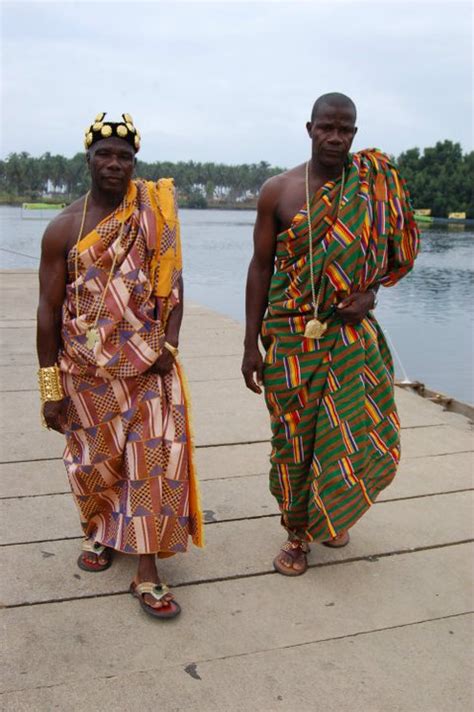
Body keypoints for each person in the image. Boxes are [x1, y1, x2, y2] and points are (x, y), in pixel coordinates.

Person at [242, 93, 419, 576]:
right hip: (291, 337)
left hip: (348, 334)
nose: (335, 137)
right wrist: (248, 345)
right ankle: (296, 535)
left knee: (349, 433)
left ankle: (332, 512)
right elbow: (260, 268)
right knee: (293, 440)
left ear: (354, 134)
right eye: (327, 127)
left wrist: (371, 295)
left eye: (344, 129)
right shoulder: (278, 191)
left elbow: (393, 251)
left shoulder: (371, 187)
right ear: (310, 128)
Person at [37, 113, 203, 617]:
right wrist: (50, 387)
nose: (114, 164)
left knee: (154, 466)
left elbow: (172, 286)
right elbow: (47, 309)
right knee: (96, 466)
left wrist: (167, 348)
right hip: (86, 375)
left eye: (124, 156)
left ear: (135, 163)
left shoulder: (153, 214)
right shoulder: (64, 227)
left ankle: (148, 569)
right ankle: (104, 530)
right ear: (88, 160)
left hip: (150, 369)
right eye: (104, 154)